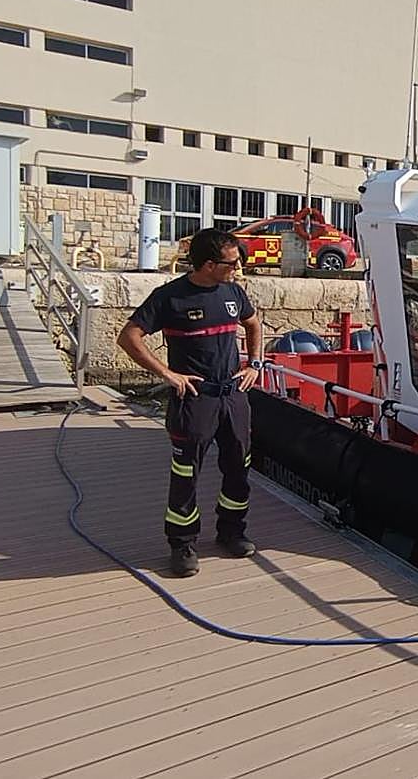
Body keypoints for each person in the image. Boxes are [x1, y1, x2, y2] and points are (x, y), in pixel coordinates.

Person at [117, 228, 264, 577]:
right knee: (186, 473)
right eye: (232, 263)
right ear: (209, 264)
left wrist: (254, 364)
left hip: (233, 396)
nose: (238, 268)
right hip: (195, 401)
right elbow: (128, 337)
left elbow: (254, 323)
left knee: (238, 466)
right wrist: (168, 374)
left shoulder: (233, 291)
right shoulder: (169, 297)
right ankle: (182, 543)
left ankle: (232, 531)